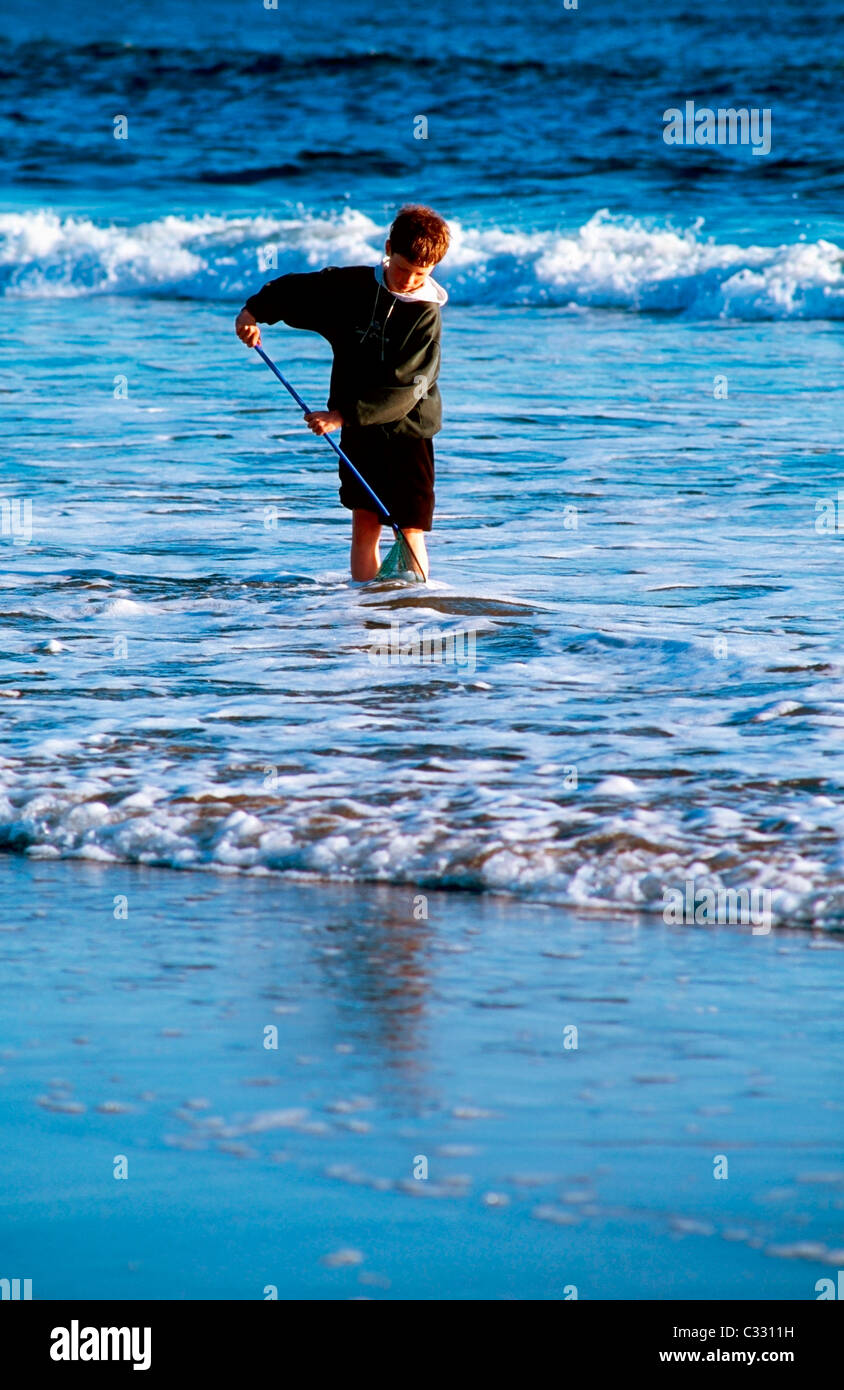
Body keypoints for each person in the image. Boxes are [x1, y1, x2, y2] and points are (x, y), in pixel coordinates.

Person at [235, 204, 450, 580]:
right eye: (402, 269)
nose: (409, 281)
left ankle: (414, 615)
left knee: (409, 529)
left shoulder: (425, 315)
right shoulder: (353, 287)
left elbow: (409, 389)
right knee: (365, 524)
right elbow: (299, 290)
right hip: (359, 431)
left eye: (421, 274)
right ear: (387, 249)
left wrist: (341, 416)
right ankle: (364, 613)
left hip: (408, 433)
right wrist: (253, 312)